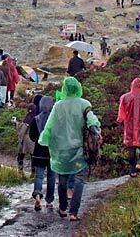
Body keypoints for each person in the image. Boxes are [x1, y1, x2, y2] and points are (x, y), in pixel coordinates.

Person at [39, 77, 101, 221]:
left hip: (61, 151)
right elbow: (92, 120)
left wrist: (44, 139)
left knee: (62, 179)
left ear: (64, 88)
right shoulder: (84, 104)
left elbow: (50, 125)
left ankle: (62, 208)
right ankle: (73, 212)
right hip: (79, 150)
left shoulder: (58, 105)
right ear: (78, 87)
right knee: (79, 180)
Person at [30, 96, 55, 211]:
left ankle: (38, 195)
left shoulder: (36, 119)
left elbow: (32, 136)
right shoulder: (55, 120)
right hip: (52, 153)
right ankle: (49, 201)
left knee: (39, 176)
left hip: (38, 152)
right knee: (51, 177)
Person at [16, 103, 38, 172]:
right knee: (33, 156)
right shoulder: (37, 117)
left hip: (25, 139)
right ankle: (33, 171)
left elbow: (22, 129)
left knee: (21, 154)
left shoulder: (27, 117)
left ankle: (20, 169)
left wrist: (16, 123)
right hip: (33, 140)